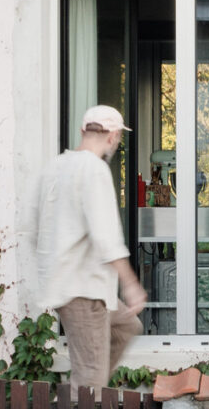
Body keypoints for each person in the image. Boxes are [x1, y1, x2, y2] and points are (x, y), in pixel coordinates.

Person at [36, 104, 147, 392]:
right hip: (84, 290)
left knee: (127, 327)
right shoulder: (94, 169)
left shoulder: (55, 167)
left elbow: (32, 227)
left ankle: (89, 387)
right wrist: (131, 284)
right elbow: (106, 236)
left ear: (82, 130)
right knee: (88, 382)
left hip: (75, 286)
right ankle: (81, 405)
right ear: (113, 136)